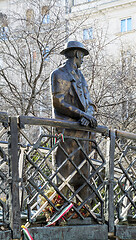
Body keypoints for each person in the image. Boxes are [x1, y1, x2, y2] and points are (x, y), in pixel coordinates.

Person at [50, 41, 97, 201]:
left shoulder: (81, 76)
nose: (83, 59)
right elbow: (58, 102)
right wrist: (81, 115)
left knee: (84, 174)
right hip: (68, 132)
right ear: (77, 54)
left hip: (85, 133)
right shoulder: (59, 74)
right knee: (65, 173)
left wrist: (88, 115)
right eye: (82, 56)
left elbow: (89, 103)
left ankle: (84, 212)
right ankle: (60, 212)